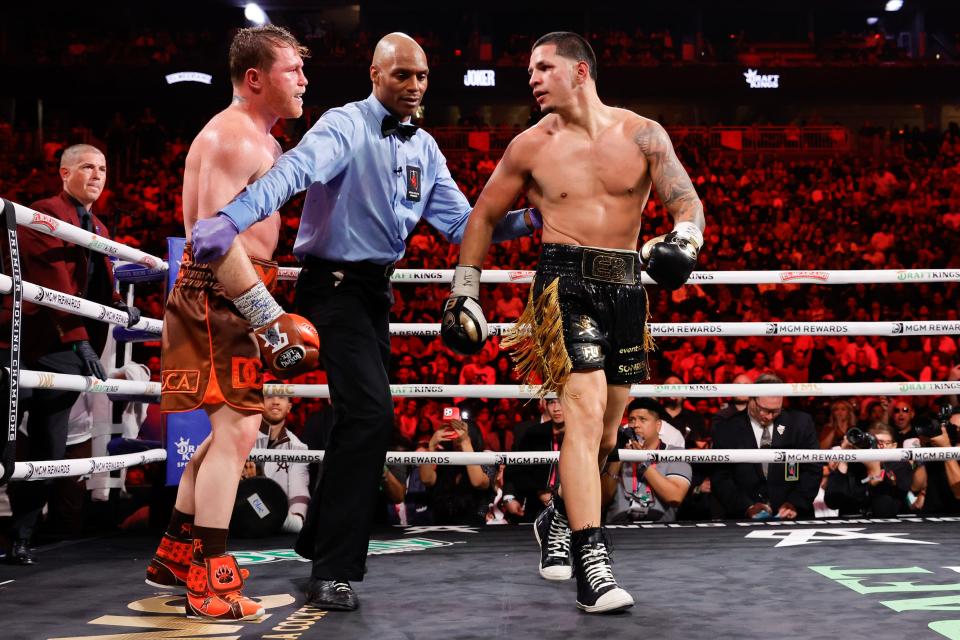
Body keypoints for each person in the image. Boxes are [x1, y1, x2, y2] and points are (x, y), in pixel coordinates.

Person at [187, 32, 538, 611]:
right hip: (333, 289)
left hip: (376, 295)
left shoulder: (424, 147)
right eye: (402, 75)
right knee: (371, 416)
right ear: (375, 74)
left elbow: (463, 225)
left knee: (364, 420)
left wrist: (531, 220)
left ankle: (315, 541)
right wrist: (232, 216)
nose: (415, 86)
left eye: (422, 76)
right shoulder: (344, 125)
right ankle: (334, 568)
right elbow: (290, 173)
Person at [442, 32, 705, 613]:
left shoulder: (642, 133)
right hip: (563, 284)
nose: (532, 78)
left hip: (628, 287)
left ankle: (557, 518)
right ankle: (594, 562)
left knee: (608, 436)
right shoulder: (529, 146)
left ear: (580, 71)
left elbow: (686, 202)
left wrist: (684, 240)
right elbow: (483, 216)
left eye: (543, 67)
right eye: (529, 69)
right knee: (583, 418)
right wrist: (465, 293)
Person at [145, 25, 318, 621]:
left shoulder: (263, 141)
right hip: (223, 294)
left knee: (228, 433)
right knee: (240, 435)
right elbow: (213, 241)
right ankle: (211, 586)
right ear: (255, 78)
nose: (303, 79)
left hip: (236, 294)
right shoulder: (232, 137)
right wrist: (268, 317)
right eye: (292, 69)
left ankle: (177, 553)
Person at [1, 144, 140, 565]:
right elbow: (54, 282)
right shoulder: (42, 212)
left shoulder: (96, 225)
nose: (96, 175)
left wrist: (117, 305)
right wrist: (80, 338)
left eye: (102, 168)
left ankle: (20, 538)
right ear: (64, 173)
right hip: (21, 335)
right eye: (86, 167)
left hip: (62, 346)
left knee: (51, 444)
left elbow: (92, 283)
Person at [711, 373, 820, 520]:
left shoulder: (800, 423)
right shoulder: (727, 428)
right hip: (742, 519)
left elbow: (813, 467)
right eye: (764, 409)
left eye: (775, 411)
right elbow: (721, 477)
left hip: (794, 516)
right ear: (751, 399)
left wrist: (795, 503)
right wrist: (747, 507)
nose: (769, 416)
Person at [601, 399, 691, 523]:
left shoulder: (675, 453)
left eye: (642, 419)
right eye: (632, 419)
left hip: (661, 530)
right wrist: (619, 457)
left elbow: (674, 497)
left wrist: (642, 462)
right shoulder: (617, 453)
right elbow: (602, 499)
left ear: (658, 425)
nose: (635, 424)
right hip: (617, 529)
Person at [245, 390, 310, 534]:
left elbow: (299, 488)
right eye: (269, 396)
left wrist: (296, 518)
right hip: (238, 515)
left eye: (281, 397)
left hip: (279, 521)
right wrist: (250, 485)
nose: (275, 401)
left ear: (289, 407)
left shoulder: (298, 447)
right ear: (260, 404)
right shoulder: (241, 437)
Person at [823, 422, 913, 517]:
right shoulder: (854, 463)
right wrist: (844, 458)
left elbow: (885, 511)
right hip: (851, 524)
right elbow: (832, 503)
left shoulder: (901, 465)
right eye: (874, 442)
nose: (878, 447)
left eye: (883, 443)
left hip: (886, 526)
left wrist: (875, 471)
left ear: (894, 446)